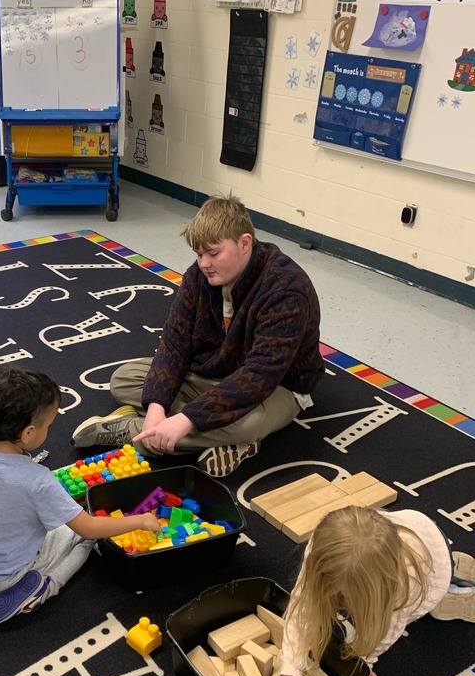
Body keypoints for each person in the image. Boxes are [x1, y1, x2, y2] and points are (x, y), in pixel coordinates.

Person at [71, 194, 324, 477]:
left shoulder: (286, 290)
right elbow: (174, 343)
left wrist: (187, 419)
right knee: (124, 379)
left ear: (244, 243)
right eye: (199, 254)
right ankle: (202, 434)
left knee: (248, 423)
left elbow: (260, 375)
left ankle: (134, 432)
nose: (204, 263)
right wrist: (156, 407)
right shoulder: (199, 276)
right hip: (214, 372)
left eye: (214, 253)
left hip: (278, 387)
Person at [0, 368, 161, 627]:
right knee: (84, 539)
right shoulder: (38, 480)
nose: (50, 430)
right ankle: (41, 589)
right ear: (28, 433)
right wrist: (141, 521)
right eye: (49, 425)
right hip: (1, 581)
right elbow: (89, 526)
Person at [274, 506, 475, 676]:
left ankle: (457, 596)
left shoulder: (403, 588)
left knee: (439, 580)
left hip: (433, 566)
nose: (339, 600)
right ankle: (456, 566)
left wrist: (365, 661)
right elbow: (303, 604)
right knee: (444, 565)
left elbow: (385, 631)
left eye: (348, 596)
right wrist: (291, 668)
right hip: (418, 534)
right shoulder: (322, 547)